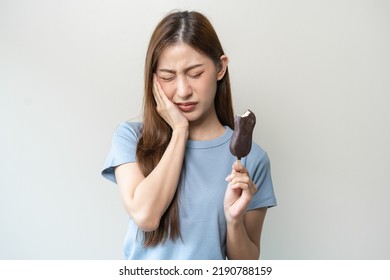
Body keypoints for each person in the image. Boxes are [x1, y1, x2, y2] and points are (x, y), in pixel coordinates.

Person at [101, 10, 276, 260]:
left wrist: (234, 221)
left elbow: (245, 265)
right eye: (167, 77)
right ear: (153, 80)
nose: (182, 91)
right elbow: (146, 216)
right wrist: (180, 131)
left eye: (195, 74)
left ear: (220, 68)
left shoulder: (252, 159)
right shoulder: (130, 138)